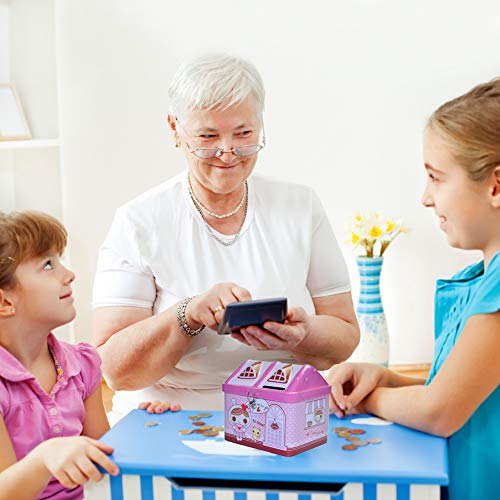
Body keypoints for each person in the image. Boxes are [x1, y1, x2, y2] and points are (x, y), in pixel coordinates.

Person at [92, 54, 360, 418]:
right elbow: (114, 369)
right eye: (208, 136)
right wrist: (187, 315)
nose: (227, 151)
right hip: (171, 414)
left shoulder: (300, 206)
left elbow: (344, 336)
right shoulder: (139, 221)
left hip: (285, 413)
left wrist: (304, 334)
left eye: (244, 134)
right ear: (175, 129)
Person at [327, 79, 500, 500]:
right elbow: (456, 390)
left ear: (496, 186)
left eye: (436, 178)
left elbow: (440, 411)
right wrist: (384, 377)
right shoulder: (485, 281)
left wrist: (369, 401)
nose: (425, 198)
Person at [0, 211, 179, 500]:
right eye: (47, 265)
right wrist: (44, 458)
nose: (69, 275)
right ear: (5, 301)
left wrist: (144, 431)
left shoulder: (80, 365)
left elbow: (103, 460)